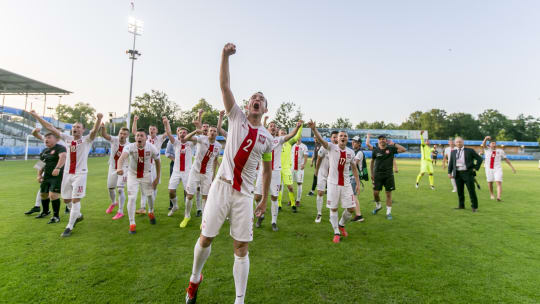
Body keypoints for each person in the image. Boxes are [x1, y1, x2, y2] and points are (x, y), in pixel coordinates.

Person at [184, 43, 274, 304]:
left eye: (261, 99)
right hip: (221, 187)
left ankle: (239, 299)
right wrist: (224, 56)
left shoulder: (267, 139)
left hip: (244, 195)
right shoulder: (236, 117)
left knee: (241, 247)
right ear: (248, 105)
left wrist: (264, 197)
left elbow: (267, 170)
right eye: (253, 98)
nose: (256, 100)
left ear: (265, 109)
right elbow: (224, 86)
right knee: (206, 237)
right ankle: (194, 278)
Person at [30, 110, 102, 237]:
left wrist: (98, 119)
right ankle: (78, 215)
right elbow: (49, 127)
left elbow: (94, 131)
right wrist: (36, 116)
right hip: (67, 174)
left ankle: (69, 226)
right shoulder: (66, 139)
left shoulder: (86, 140)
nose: (75, 129)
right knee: (66, 199)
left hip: (80, 173)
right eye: (74, 127)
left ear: (83, 130)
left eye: (78, 127)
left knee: (75, 200)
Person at [309, 123, 362, 243]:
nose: (343, 137)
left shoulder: (350, 152)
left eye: (345, 136)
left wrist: (358, 183)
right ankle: (336, 232)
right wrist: (314, 129)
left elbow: (354, 168)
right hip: (333, 184)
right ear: (337, 138)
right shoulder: (331, 147)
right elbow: (322, 141)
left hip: (346, 184)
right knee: (333, 209)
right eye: (341, 136)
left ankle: (341, 224)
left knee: (351, 209)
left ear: (347, 139)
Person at [254, 121, 302, 231]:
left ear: (276, 130)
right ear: (267, 128)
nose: (273, 128)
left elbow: (291, 135)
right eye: (271, 126)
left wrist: (297, 127)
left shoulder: (279, 140)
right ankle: (261, 215)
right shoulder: (262, 138)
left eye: (274, 127)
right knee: (257, 196)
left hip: (275, 172)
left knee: (274, 197)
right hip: (262, 171)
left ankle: (274, 222)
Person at [116, 128, 161, 233]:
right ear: (135, 137)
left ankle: (150, 211)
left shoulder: (152, 148)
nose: (139, 137)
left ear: (146, 138)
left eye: (141, 135)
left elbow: (158, 162)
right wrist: (119, 167)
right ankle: (132, 224)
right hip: (132, 175)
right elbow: (122, 158)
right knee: (132, 198)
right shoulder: (129, 147)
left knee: (150, 195)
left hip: (146, 175)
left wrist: (157, 177)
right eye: (137, 135)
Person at [366, 134, 407, 220]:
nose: (382, 140)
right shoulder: (375, 150)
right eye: (380, 139)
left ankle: (388, 213)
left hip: (388, 175)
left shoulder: (391, 149)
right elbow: (372, 163)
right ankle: (378, 206)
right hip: (377, 175)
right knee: (375, 193)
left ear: (386, 140)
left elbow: (404, 149)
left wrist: (394, 144)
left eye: (383, 139)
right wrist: (372, 174)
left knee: (388, 194)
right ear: (378, 141)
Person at [132, 116, 167, 214]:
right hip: (145, 166)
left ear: (156, 130)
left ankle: (151, 207)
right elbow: (134, 132)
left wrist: (165, 123)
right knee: (144, 187)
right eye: (150, 129)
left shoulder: (159, 138)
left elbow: (167, 133)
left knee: (154, 186)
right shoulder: (144, 138)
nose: (152, 130)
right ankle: (142, 207)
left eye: (154, 129)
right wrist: (135, 121)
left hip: (155, 165)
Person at [164, 123, 195, 225]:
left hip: (187, 172)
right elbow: (168, 133)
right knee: (171, 191)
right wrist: (166, 123)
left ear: (187, 134)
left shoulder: (191, 143)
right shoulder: (176, 143)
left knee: (188, 194)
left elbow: (198, 132)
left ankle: (187, 215)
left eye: (184, 133)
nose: (182, 134)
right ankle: (175, 206)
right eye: (180, 132)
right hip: (176, 171)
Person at [35, 132, 67, 223]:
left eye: (49, 137)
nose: (46, 139)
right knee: (43, 194)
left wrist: (57, 168)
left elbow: (63, 157)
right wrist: (39, 175)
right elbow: (40, 164)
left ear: (56, 139)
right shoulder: (44, 151)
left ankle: (56, 216)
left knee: (53, 195)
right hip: (47, 176)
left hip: (57, 176)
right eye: (45, 138)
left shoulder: (60, 148)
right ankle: (45, 212)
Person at [447, 137, 483, 212]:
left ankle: (474, 207)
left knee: (471, 190)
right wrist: (449, 172)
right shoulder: (453, 152)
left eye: (460, 142)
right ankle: (461, 206)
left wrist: (475, 168)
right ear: (455, 143)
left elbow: (479, 159)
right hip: (457, 173)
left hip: (468, 173)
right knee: (460, 191)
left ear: (463, 142)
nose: (458, 143)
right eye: (457, 142)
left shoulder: (470, 150)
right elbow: (451, 163)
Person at [101, 125, 130, 219]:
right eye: (121, 133)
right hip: (113, 167)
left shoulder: (129, 145)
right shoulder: (114, 139)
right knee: (110, 188)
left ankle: (120, 211)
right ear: (118, 133)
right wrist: (103, 128)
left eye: (124, 134)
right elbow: (104, 135)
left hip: (123, 168)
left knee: (120, 189)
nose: (122, 135)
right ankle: (114, 203)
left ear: (127, 135)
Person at [481, 136, 516, 201]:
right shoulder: (487, 149)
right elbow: (483, 145)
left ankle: (498, 197)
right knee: (490, 182)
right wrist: (485, 139)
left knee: (498, 181)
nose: (494, 144)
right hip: (488, 169)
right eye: (492, 143)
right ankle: (491, 194)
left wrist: (512, 167)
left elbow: (506, 159)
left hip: (497, 168)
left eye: (495, 143)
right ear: (489, 145)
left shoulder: (500, 151)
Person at [314, 131, 338, 223]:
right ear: (331, 138)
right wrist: (316, 171)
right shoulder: (325, 147)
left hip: (333, 176)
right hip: (322, 173)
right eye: (334, 137)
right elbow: (319, 158)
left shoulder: (339, 149)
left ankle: (331, 215)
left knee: (332, 195)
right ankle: (319, 214)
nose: (335, 139)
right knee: (320, 193)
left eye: (337, 137)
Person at [277, 124, 303, 211]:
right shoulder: (275, 142)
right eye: (282, 133)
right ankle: (279, 205)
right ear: (278, 134)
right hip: (277, 168)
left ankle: (293, 204)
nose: (283, 134)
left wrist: (300, 127)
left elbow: (297, 137)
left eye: (285, 133)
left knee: (290, 187)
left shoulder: (289, 142)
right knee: (279, 187)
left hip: (286, 169)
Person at [350, 136, 365, 222]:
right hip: (352, 177)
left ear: (359, 143)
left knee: (354, 196)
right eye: (352, 141)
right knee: (352, 196)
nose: (353, 143)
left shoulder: (359, 153)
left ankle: (359, 215)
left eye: (355, 142)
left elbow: (354, 164)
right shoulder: (355, 152)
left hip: (354, 177)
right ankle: (354, 212)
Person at [290, 137, 308, 207]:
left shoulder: (304, 146)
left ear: (301, 137)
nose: (298, 137)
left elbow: (306, 156)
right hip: (292, 167)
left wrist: (304, 164)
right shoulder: (293, 146)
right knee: (290, 183)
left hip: (300, 168)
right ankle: (291, 199)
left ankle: (298, 200)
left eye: (299, 136)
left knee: (299, 183)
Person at [165, 138, 176, 210]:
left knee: (186, 186)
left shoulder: (188, 140)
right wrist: (174, 159)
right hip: (174, 163)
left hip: (186, 164)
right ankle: (172, 204)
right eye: (178, 131)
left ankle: (186, 203)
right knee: (172, 184)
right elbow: (167, 153)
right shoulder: (171, 141)